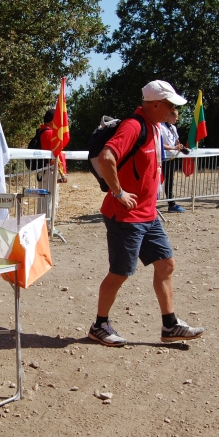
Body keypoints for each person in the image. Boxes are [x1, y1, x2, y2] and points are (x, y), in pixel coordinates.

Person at [88, 80, 205, 347]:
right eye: (170, 105)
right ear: (154, 104)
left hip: (148, 215)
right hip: (125, 216)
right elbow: (106, 158)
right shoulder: (134, 126)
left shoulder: (155, 126)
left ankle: (170, 325)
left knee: (166, 265)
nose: (173, 111)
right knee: (120, 273)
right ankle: (99, 326)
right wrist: (119, 193)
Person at [33, 109, 68, 213]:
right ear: (53, 120)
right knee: (49, 199)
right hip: (50, 170)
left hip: (46, 170)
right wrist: (63, 173)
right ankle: (48, 222)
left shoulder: (43, 131)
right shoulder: (49, 133)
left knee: (45, 199)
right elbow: (56, 153)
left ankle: (44, 221)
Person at [160, 109, 186, 212]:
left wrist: (179, 146)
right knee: (157, 181)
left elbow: (176, 141)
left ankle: (171, 204)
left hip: (171, 158)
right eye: (176, 116)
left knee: (170, 182)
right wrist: (172, 148)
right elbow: (158, 143)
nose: (177, 119)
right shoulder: (160, 126)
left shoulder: (173, 128)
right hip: (162, 158)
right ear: (170, 116)